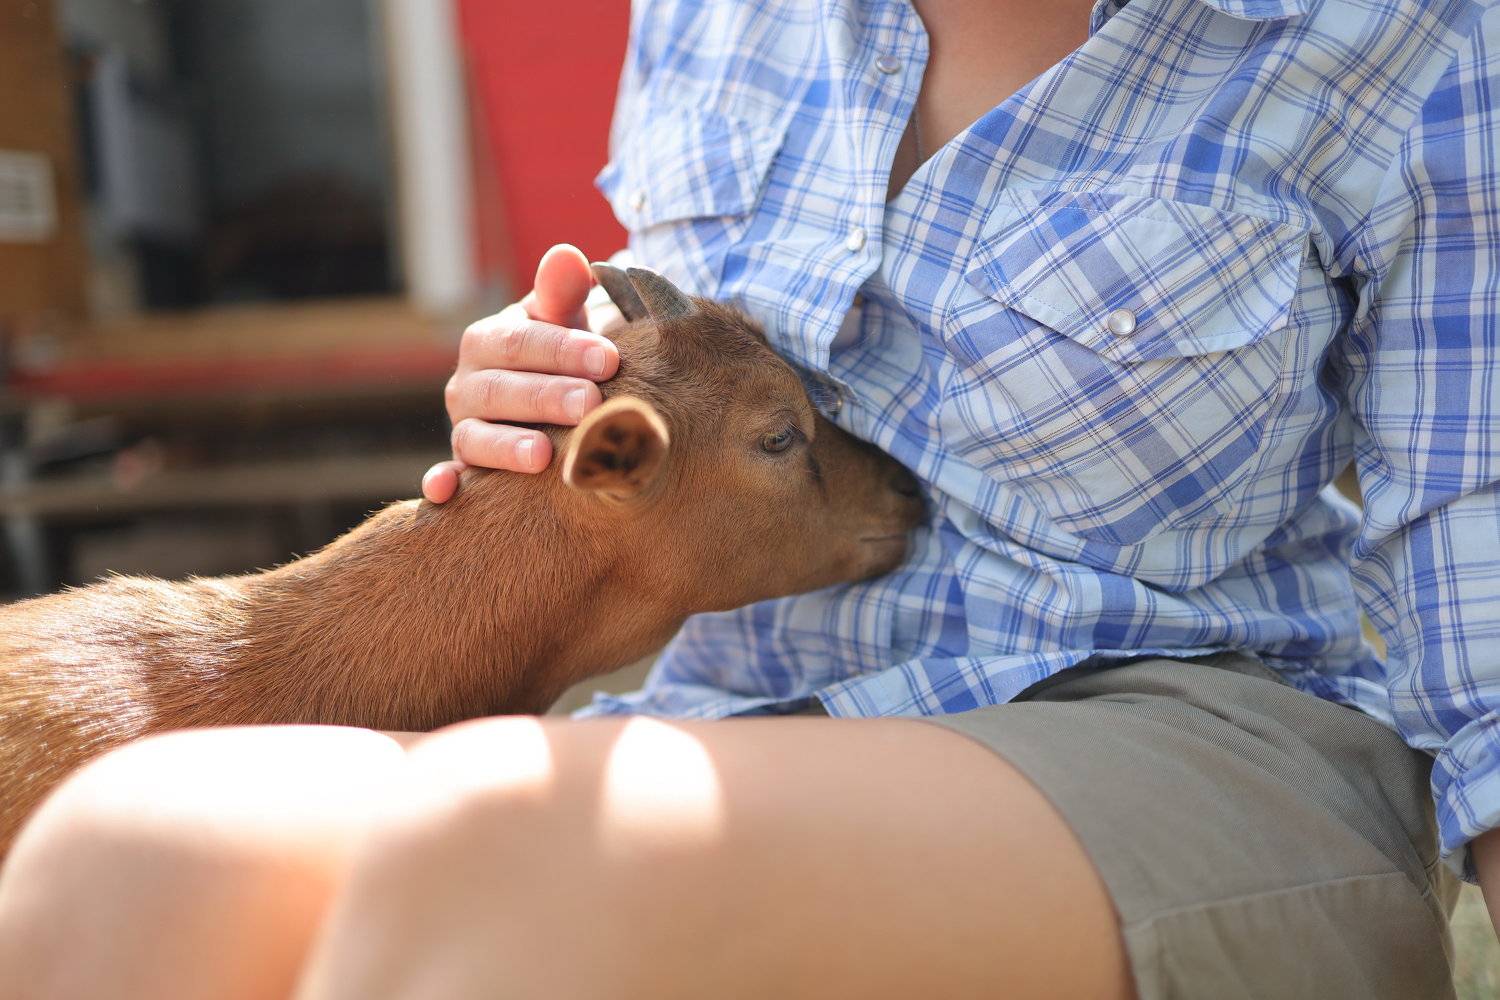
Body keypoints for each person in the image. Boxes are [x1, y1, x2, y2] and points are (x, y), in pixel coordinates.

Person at [2, 0, 1498, 996]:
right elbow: (672, 348)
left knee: (492, 862)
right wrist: (541, 398)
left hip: (1181, 731)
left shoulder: (1404, 37)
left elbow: (1486, 604)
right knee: (138, 852)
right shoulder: (715, 8)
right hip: (728, 717)